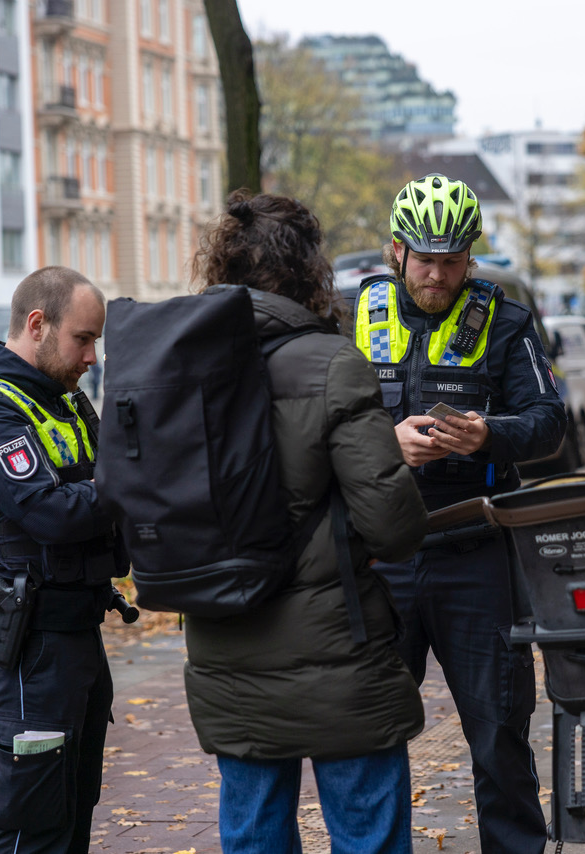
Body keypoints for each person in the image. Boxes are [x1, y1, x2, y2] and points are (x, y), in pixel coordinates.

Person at [184, 191, 428, 854]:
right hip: (337, 656)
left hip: (224, 646)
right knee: (366, 831)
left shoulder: (179, 369)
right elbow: (394, 526)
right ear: (307, 271)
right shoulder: (331, 365)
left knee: (255, 831)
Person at [353, 174, 569, 853]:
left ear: (471, 257)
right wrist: (383, 443)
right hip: (383, 556)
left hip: (476, 554)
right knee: (367, 737)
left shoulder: (504, 323)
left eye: (452, 261)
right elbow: (317, 429)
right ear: (397, 252)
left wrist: (490, 435)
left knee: (500, 735)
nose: (438, 275)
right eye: (425, 260)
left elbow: (549, 423)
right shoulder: (355, 318)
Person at [0, 266, 126, 854]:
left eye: (96, 340)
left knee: (71, 810)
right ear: (37, 324)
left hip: (76, 638)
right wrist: (133, 483)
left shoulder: (66, 404)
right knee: (29, 823)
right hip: (28, 646)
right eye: (83, 338)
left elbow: (103, 488)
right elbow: (53, 513)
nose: (91, 356)